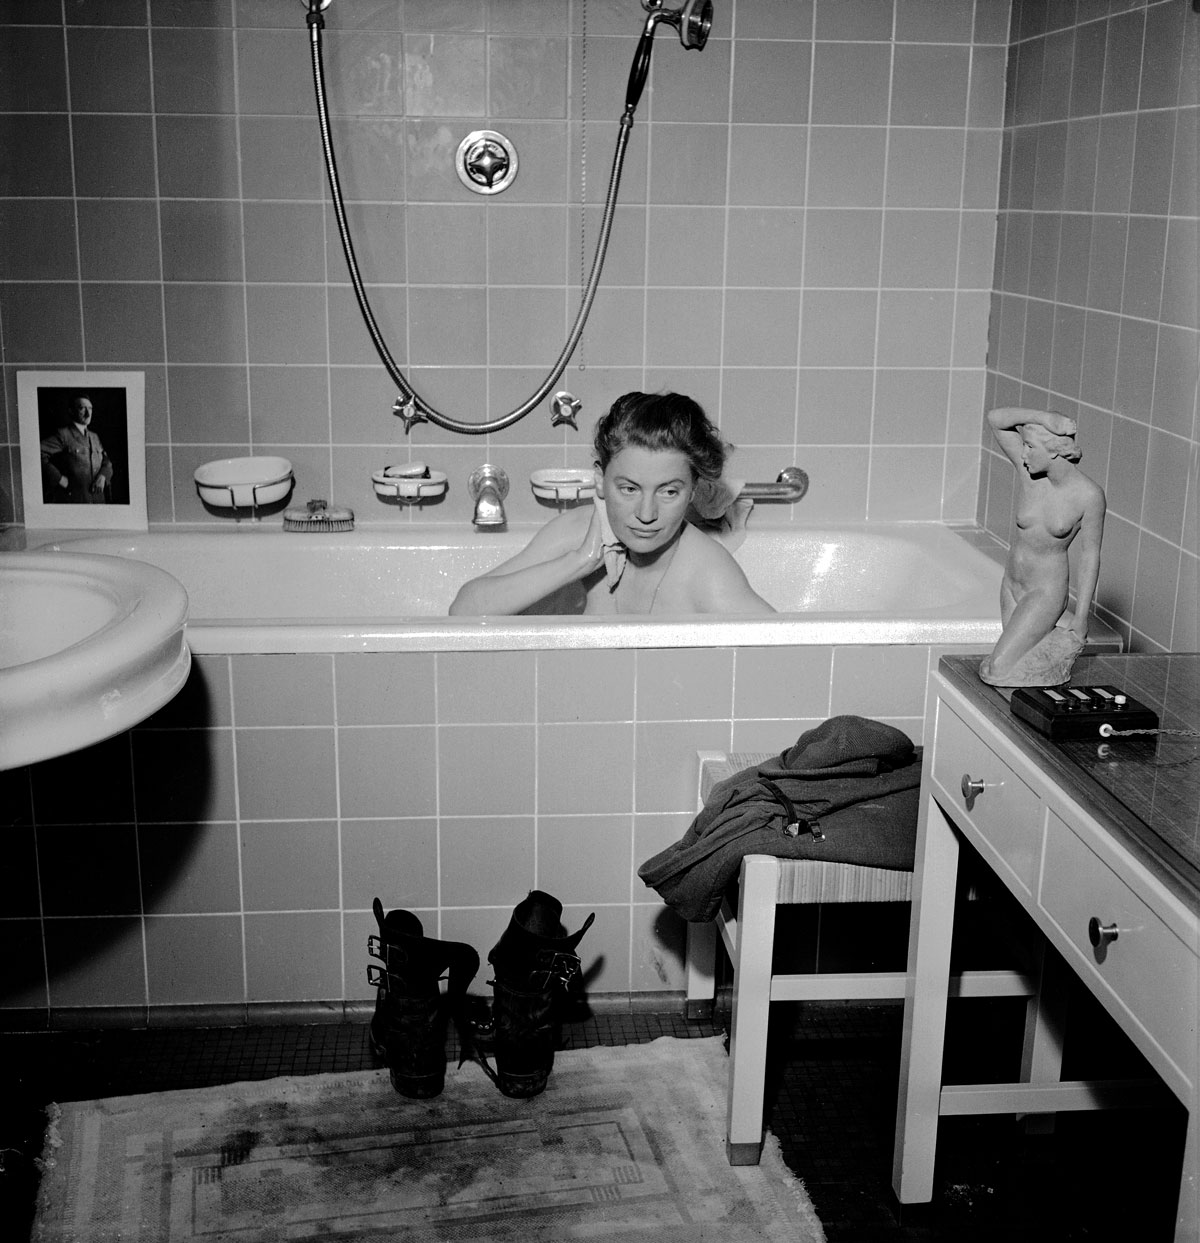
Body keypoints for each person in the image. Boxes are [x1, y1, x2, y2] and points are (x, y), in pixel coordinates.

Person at [449, 392, 775, 616]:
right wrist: (581, 561)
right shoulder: (572, 534)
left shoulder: (708, 573)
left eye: (669, 492)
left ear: (692, 491)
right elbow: (464, 610)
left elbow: (795, 649)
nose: (646, 515)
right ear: (599, 480)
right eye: (629, 489)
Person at [979, 406, 1105, 686]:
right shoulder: (1030, 475)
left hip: (1044, 592)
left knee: (997, 670)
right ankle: (1050, 643)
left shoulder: (1089, 496)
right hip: (1012, 584)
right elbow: (996, 420)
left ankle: (1057, 642)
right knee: (1016, 660)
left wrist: (1081, 617)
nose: (1023, 455)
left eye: (1030, 447)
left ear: (1054, 451)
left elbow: (1090, 556)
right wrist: (1044, 419)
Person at [40, 394, 114, 504]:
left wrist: (103, 475)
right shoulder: (64, 434)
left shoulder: (94, 436)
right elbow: (37, 452)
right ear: (71, 411)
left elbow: (106, 461)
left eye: (90, 408)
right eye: (82, 408)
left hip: (99, 500)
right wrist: (58, 478)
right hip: (76, 500)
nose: (88, 413)